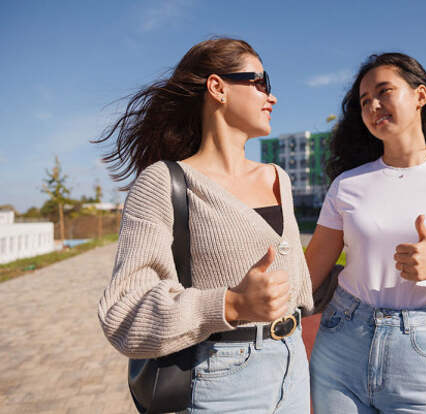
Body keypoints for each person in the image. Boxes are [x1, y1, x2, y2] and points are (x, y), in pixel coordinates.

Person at [96, 37, 313, 413]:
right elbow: (123, 313)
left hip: (294, 365)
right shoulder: (163, 182)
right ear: (218, 88)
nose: (271, 96)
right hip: (220, 379)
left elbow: (299, 286)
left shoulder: (279, 178)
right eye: (260, 82)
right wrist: (231, 303)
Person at [305, 53, 426, 413]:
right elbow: (307, 277)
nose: (373, 106)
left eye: (384, 92)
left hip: (421, 353)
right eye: (364, 102)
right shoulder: (347, 185)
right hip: (341, 343)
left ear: (420, 96)